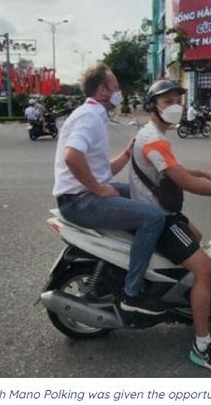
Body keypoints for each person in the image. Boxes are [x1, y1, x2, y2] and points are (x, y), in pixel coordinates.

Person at [129, 80, 211, 375]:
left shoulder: (152, 135)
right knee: (206, 269)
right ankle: (202, 346)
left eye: (176, 100)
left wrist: (208, 174)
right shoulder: (153, 140)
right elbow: (183, 182)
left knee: (197, 236)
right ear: (152, 106)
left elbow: (174, 171)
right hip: (159, 218)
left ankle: (189, 301)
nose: (174, 106)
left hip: (160, 212)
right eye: (166, 101)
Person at [53, 63, 166, 315]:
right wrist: (99, 190)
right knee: (153, 216)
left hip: (85, 195)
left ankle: (136, 262)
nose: (119, 91)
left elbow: (102, 172)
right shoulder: (89, 116)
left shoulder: (93, 115)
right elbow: (73, 156)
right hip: (80, 201)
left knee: (144, 195)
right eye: (116, 86)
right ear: (103, 90)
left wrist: (127, 153)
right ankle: (132, 293)